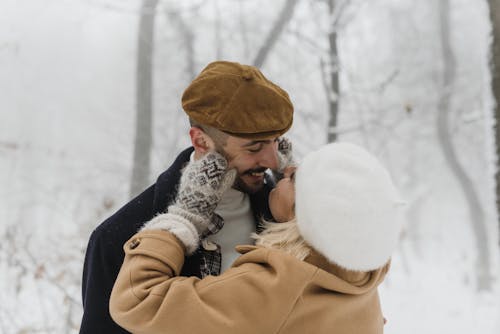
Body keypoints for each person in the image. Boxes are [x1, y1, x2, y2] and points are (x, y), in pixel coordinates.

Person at [79, 61, 295, 333]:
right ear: (201, 142)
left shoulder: (286, 217)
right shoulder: (116, 239)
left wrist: (301, 197)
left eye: (277, 141)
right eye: (254, 147)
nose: (271, 159)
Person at [109, 142, 405, 334]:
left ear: (301, 215)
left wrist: (183, 218)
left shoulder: (275, 291)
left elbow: (138, 300)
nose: (285, 166)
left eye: (295, 177)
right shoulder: (357, 273)